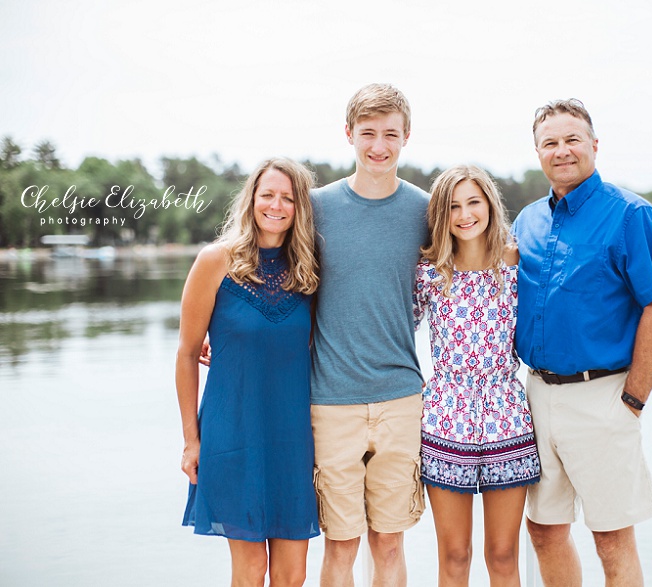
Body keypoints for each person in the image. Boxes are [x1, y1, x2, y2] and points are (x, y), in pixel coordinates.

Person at [512, 99, 652, 586]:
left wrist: (632, 400)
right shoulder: (527, 221)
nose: (561, 151)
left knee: (611, 538)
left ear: (593, 145)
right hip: (536, 396)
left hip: (603, 398)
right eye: (550, 143)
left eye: (572, 140)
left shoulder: (631, 216)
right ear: (538, 152)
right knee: (543, 530)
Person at [175, 158, 321, 587]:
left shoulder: (310, 271)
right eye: (268, 195)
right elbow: (186, 354)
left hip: (293, 438)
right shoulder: (215, 261)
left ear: (300, 208)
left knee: (293, 575)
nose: (276, 205)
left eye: (288, 198)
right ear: (251, 199)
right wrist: (190, 441)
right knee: (252, 568)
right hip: (233, 435)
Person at [309, 83, 429, 586]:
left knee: (389, 541)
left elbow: (476, 260)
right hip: (330, 400)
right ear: (348, 135)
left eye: (390, 134)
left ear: (406, 137)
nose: (379, 145)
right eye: (368, 134)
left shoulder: (427, 210)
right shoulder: (315, 207)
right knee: (340, 543)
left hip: (401, 397)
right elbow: (263, 264)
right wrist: (217, 329)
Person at [414, 165, 541, 585]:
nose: (465, 214)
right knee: (455, 555)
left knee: (503, 556)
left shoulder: (516, 262)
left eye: (473, 202)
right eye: (453, 206)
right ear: (441, 214)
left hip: (506, 415)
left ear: (489, 205)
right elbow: (391, 330)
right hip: (445, 418)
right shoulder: (429, 271)